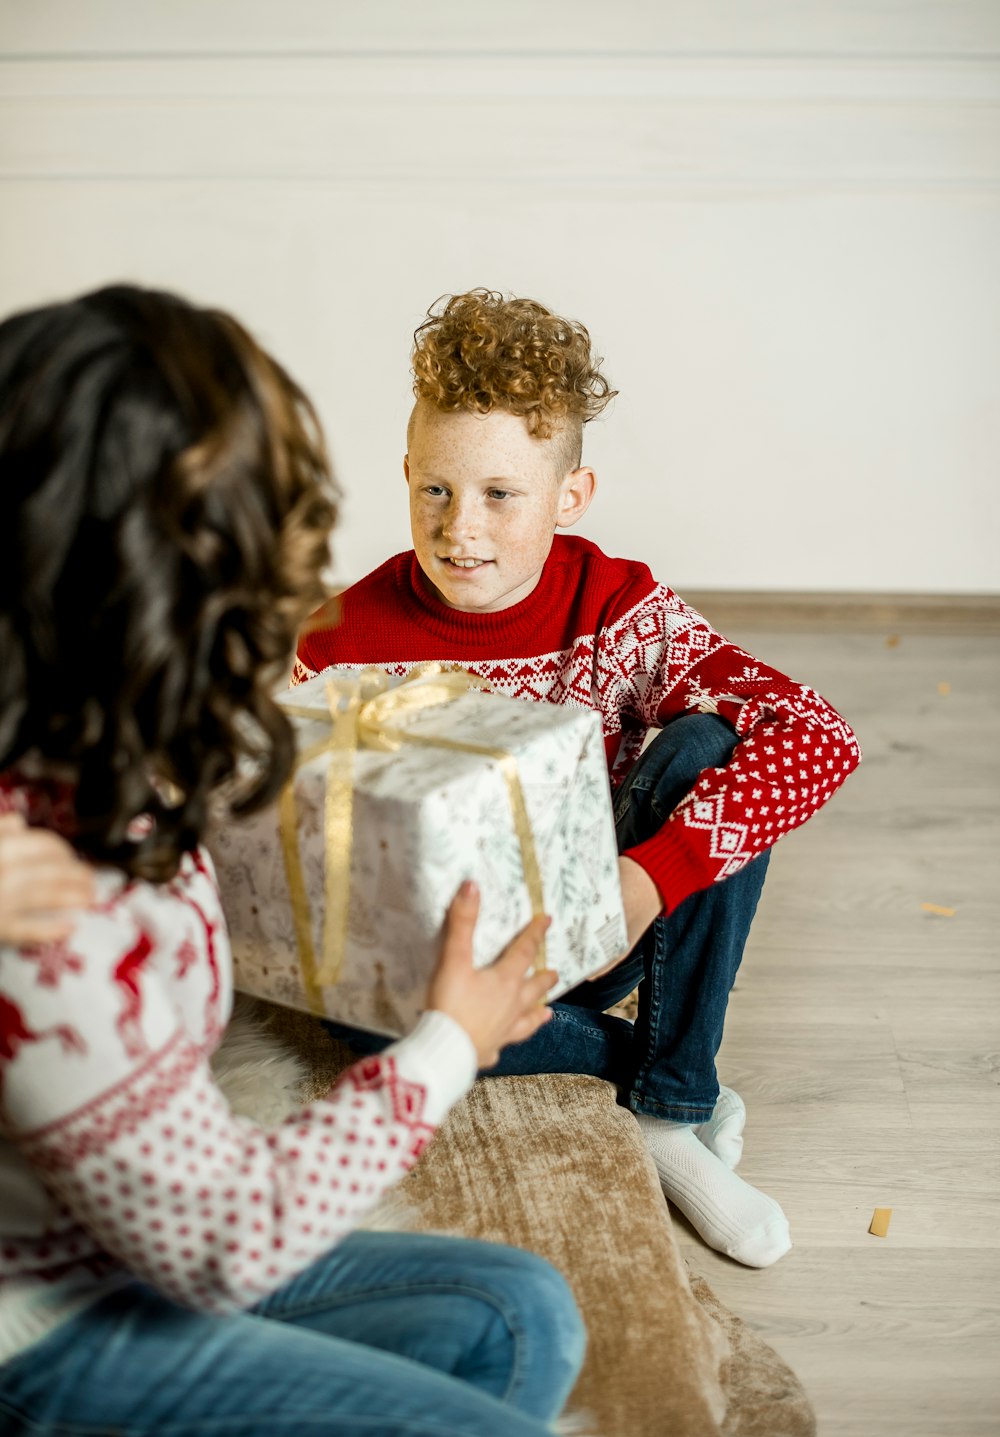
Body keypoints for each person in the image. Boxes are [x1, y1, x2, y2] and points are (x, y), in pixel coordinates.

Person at [0, 285, 586, 1437]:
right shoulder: (52, 919)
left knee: (516, 1312)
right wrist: (443, 1045)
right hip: (42, 1325)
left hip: (117, 1239)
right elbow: (227, 1242)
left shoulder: (111, 742)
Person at [294, 288, 863, 1270]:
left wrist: (648, 878)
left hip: (602, 914)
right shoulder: (340, 641)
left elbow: (817, 734)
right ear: (404, 476)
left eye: (499, 494)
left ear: (570, 498)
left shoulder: (616, 606)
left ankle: (672, 1101)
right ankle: (656, 1096)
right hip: (443, 963)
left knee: (706, 746)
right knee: (349, 1011)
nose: (459, 528)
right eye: (434, 488)